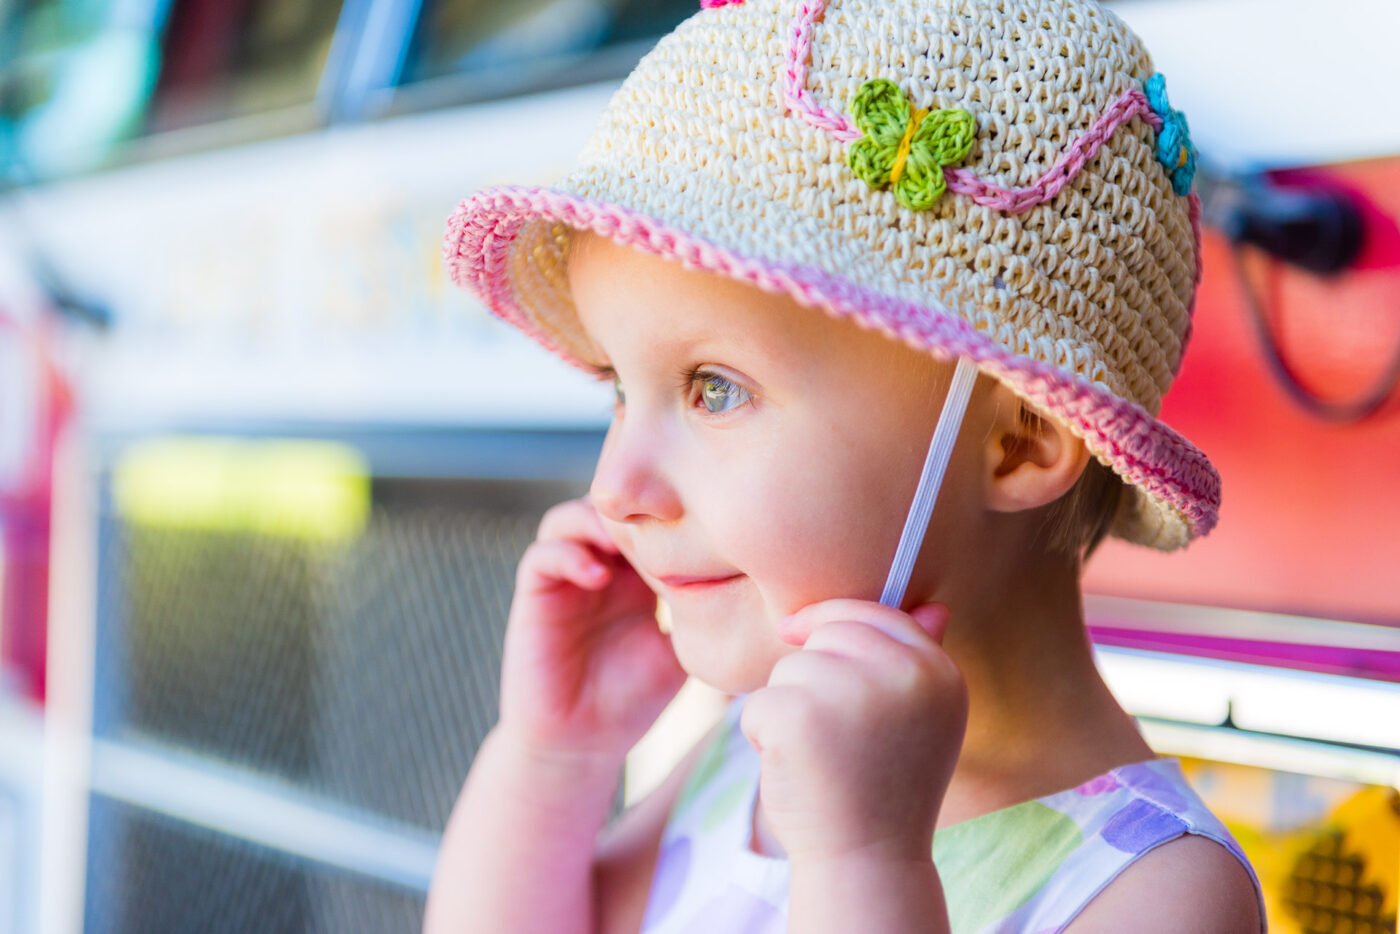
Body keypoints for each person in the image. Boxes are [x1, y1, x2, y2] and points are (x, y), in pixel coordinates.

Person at [426, 0, 1267, 930]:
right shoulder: (753, 754)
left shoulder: (1153, 889)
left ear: (1018, 441)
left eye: (713, 388)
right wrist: (553, 756)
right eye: (618, 388)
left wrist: (863, 863)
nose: (614, 491)